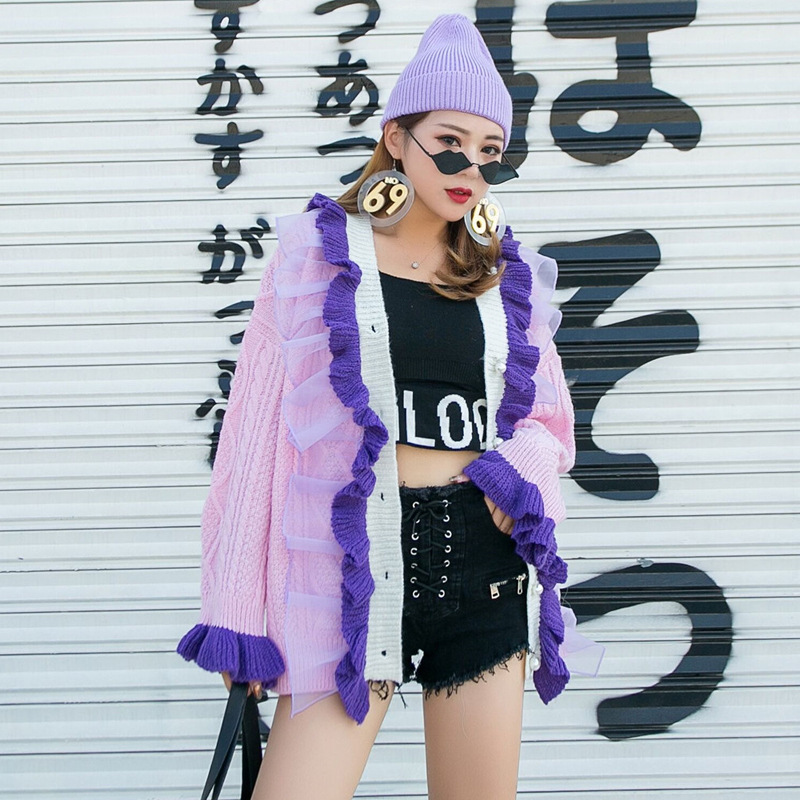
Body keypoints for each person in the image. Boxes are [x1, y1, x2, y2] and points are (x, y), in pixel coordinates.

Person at [178, 14, 587, 800]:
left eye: (489, 149)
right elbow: (254, 437)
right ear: (397, 138)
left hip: (484, 569)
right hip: (350, 573)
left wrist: (518, 475)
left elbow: (550, 422)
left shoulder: (505, 273)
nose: (469, 166)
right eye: (450, 140)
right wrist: (237, 613)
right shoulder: (316, 253)